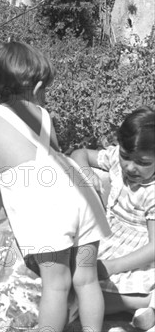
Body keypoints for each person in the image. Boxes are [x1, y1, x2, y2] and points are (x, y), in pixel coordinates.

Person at [0, 41, 111, 332]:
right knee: (86, 279)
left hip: (48, 204)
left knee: (56, 286)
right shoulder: (43, 115)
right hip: (81, 195)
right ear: (35, 88)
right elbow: (54, 156)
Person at [71, 106, 155, 330]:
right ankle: (140, 309)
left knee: (84, 294)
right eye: (125, 157)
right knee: (77, 279)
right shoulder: (117, 161)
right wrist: (85, 172)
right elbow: (80, 153)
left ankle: (141, 302)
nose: (130, 167)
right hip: (110, 237)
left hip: (138, 253)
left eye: (143, 163)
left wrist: (112, 266)